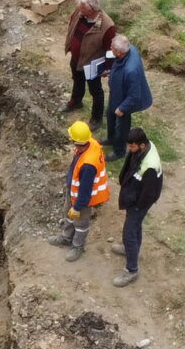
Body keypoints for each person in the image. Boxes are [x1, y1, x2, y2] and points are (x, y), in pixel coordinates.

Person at [50, 119, 109, 263]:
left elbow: (85, 189)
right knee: (68, 215)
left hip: (83, 199)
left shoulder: (88, 165)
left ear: (77, 142)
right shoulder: (89, 144)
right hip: (73, 192)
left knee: (81, 223)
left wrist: (77, 207)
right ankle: (66, 237)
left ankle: (77, 245)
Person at [111, 127, 163, 289]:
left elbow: (149, 193)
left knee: (129, 232)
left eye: (132, 147)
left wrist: (137, 207)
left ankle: (131, 269)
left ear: (141, 145)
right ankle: (131, 250)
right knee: (134, 228)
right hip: (134, 196)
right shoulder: (144, 148)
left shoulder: (150, 167)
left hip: (139, 203)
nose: (129, 149)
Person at [99, 34, 152, 158]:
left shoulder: (131, 70)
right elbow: (118, 67)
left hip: (125, 100)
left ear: (118, 52)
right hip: (117, 93)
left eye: (112, 48)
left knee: (121, 126)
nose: (110, 49)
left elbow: (134, 95)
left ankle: (119, 151)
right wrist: (111, 73)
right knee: (110, 114)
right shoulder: (130, 49)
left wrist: (122, 108)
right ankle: (111, 139)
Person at [64, 0, 114, 121]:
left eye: (82, 8)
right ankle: (76, 102)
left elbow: (110, 49)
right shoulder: (79, 13)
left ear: (91, 11)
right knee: (77, 80)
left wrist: (107, 67)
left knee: (96, 91)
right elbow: (72, 25)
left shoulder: (107, 26)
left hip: (91, 64)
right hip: (76, 59)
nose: (79, 10)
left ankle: (96, 118)